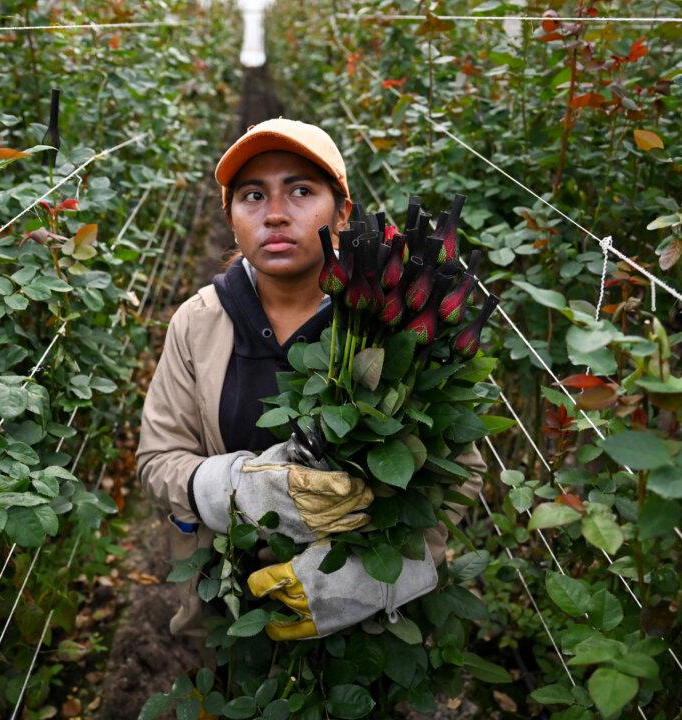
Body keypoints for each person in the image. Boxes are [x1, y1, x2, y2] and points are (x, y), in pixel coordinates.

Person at [136, 118, 486, 641]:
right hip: (233, 601)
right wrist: (240, 491)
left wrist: (360, 583)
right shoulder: (199, 320)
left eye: (301, 190)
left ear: (342, 212)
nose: (275, 214)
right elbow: (159, 460)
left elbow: (460, 478)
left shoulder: (394, 324)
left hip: (370, 630)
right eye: (253, 195)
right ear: (230, 217)